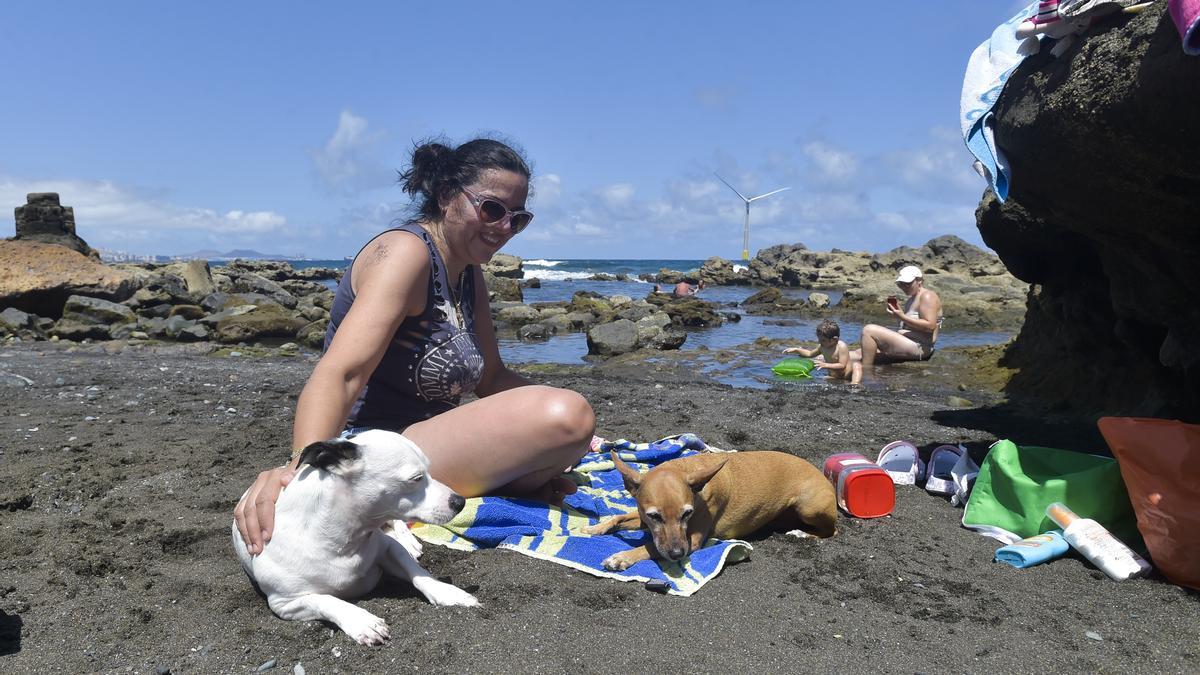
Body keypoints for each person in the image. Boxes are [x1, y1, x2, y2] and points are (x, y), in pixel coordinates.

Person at [234, 137, 596, 555]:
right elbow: (343, 372)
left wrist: (557, 429)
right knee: (566, 417)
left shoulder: (468, 272)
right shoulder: (406, 254)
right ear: (446, 196)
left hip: (422, 442)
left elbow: (492, 377)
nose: (503, 228)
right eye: (492, 209)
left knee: (570, 433)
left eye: (518, 219)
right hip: (374, 448)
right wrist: (300, 466)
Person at [854, 265, 943, 368]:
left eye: (908, 284)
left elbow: (930, 326)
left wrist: (902, 317)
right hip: (907, 343)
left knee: (868, 330)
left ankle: (866, 374)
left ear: (919, 281)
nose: (904, 287)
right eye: (901, 284)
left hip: (921, 347)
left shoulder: (927, 296)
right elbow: (910, 325)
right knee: (857, 354)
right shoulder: (911, 299)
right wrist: (898, 317)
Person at [783, 318, 862, 384]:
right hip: (833, 376)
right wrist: (797, 350)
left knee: (857, 365)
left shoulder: (841, 346)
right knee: (816, 381)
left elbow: (842, 365)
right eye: (819, 339)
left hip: (846, 375)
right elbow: (810, 354)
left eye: (823, 340)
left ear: (834, 339)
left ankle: (854, 384)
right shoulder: (822, 347)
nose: (819, 342)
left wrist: (825, 365)